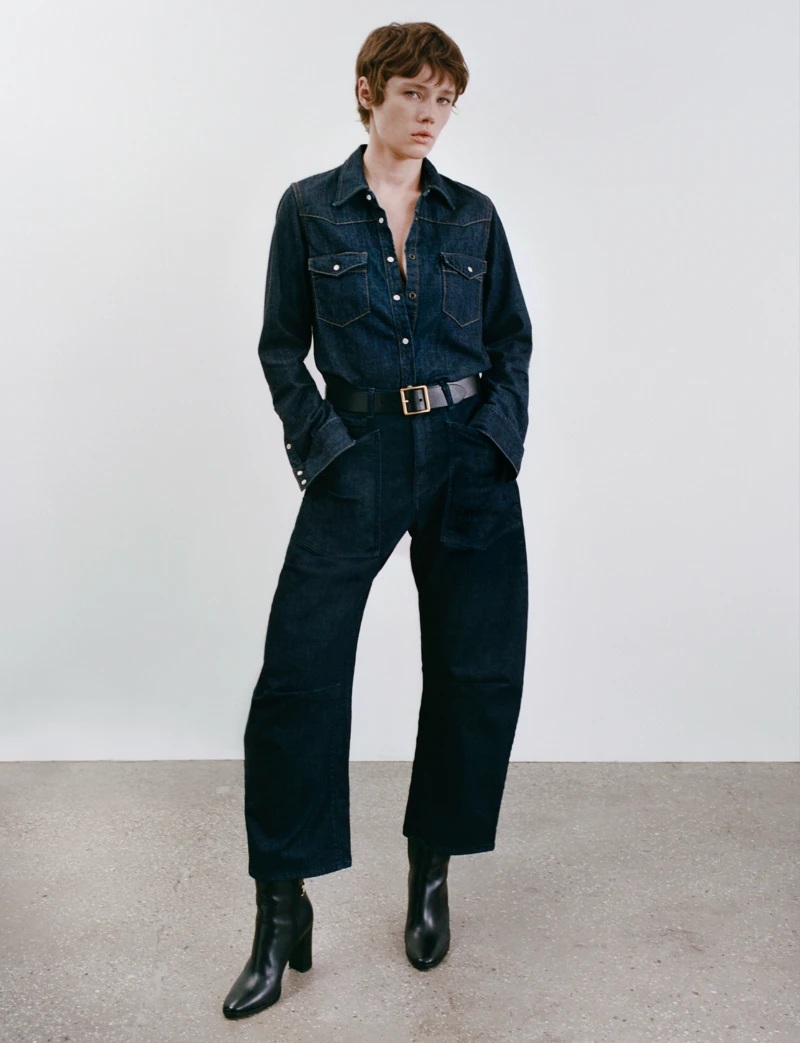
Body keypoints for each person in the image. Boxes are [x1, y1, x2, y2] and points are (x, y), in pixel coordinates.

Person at [223, 20, 532, 1019]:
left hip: (466, 456)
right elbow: (281, 348)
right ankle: (281, 910)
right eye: (413, 94)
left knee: (474, 670)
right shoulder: (309, 208)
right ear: (368, 92)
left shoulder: (473, 216)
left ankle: (430, 870)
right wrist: (324, 446)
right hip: (356, 455)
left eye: (445, 98)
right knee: (296, 678)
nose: (430, 114)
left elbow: (512, 343)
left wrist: (495, 443)